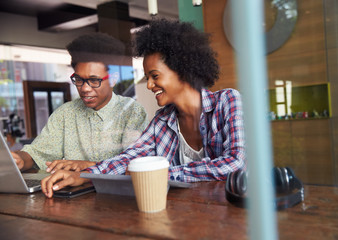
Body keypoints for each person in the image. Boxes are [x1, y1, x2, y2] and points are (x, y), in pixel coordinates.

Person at [41, 19, 246, 198]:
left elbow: (234, 164)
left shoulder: (227, 101)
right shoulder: (161, 121)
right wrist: (82, 176)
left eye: (154, 76)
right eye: (147, 78)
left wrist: (164, 173)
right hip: (186, 214)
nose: (149, 85)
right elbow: (129, 158)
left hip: (231, 212)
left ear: (183, 69)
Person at [12, 32, 148, 172]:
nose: (84, 88)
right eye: (78, 80)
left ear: (113, 79)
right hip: (73, 192)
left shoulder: (132, 112)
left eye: (94, 80)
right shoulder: (65, 114)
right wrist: (20, 159)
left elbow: (134, 165)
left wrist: (86, 166)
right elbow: (37, 153)